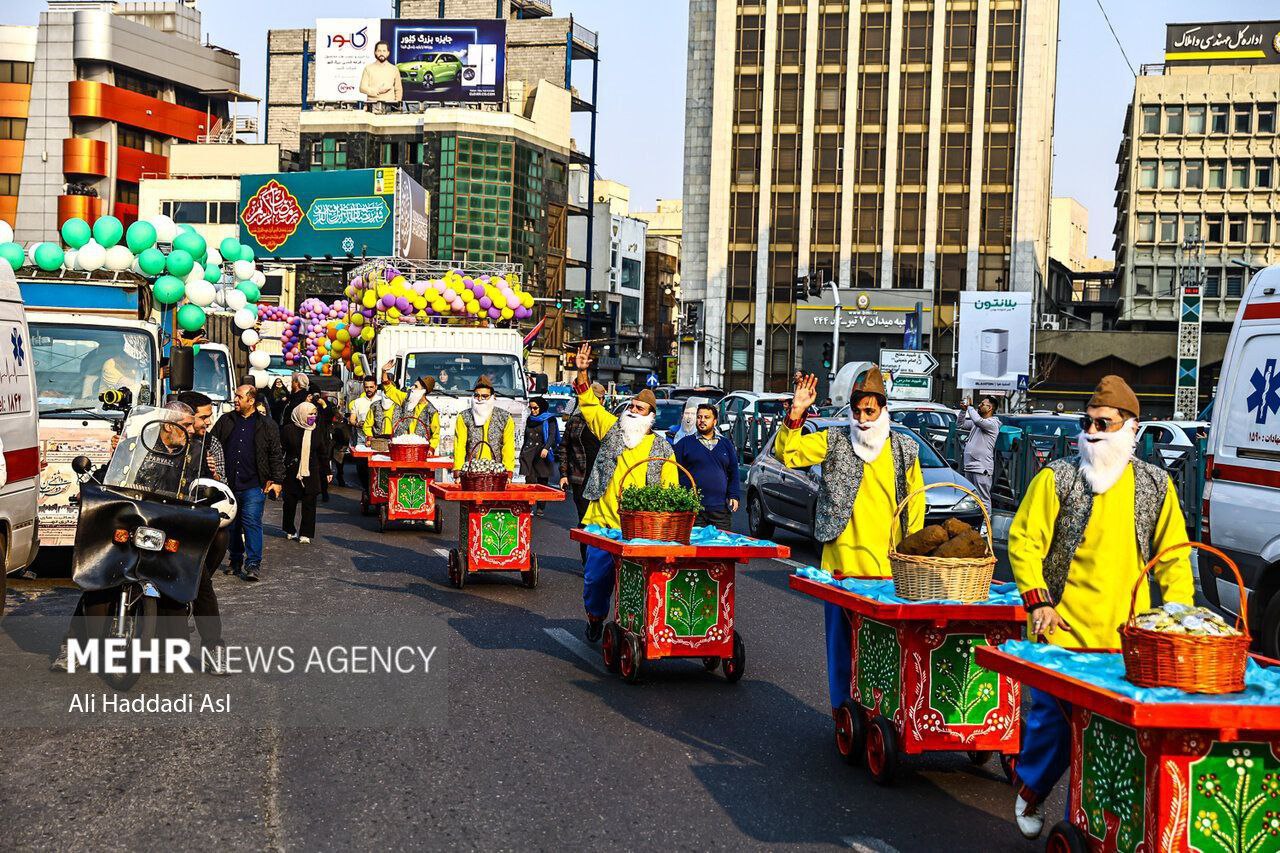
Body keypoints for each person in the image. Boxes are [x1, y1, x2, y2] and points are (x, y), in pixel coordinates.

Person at [1008, 375, 1193, 840]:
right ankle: (1030, 788)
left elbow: (1172, 559)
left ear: (1132, 428)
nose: (1092, 431)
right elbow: (1025, 541)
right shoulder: (1058, 477)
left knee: (1117, 741)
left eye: (1103, 423)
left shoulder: (1155, 485)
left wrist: (1180, 621)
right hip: (1062, 633)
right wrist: (1038, 602)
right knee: (1052, 724)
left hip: (1124, 643)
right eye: (1088, 422)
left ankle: (1106, 826)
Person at [775, 368, 925, 720]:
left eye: (870, 412)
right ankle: (845, 713)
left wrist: (911, 553)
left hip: (888, 571)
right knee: (841, 646)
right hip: (841, 566)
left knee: (886, 648)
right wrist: (796, 413)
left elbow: (915, 505)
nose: (862, 419)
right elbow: (790, 453)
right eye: (857, 411)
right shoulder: (835, 440)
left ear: (883, 410)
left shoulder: (905, 449)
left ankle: (883, 711)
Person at [572, 344, 678, 642]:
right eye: (631, 406)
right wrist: (582, 370)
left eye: (639, 408)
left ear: (650, 416)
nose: (632, 410)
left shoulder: (662, 448)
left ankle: (637, 629)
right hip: (604, 524)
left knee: (638, 585)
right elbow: (590, 405)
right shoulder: (612, 430)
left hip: (641, 531)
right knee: (595, 580)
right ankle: (595, 617)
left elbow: (671, 490)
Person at [176, 391, 230, 672]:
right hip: (153, 520)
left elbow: (223, 486)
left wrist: (214, 475)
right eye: (203, 417)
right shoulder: (153, 437)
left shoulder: (211, 445)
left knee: (202, 582)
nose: (207, 423)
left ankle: (214, 649)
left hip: (191, 524)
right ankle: (74, 643)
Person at [211, 384, 285, 582]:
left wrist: (277, 480)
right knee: (232, 525)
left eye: (239, 397)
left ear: (251, 401)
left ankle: (253, 564)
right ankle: (235, 560)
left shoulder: (267, 424)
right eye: (235, 396)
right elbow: (211, 445)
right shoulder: (226, 420)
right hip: (229, 484)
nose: (235, 399)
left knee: (251, 522)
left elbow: (275, 454)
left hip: (255, 484)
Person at [674, 404, 740, 530]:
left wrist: (734, 495)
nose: (702, 420)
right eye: (699, 417)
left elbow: (733, 472)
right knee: (694, 547)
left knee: (722, 545)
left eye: (706, 417)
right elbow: (675, 471)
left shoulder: (726, 444)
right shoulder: (685, 443)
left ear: (714, 421)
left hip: (720, 509)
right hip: (693, 509)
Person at [559, 385, 603, 560]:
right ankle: (587, 561)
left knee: (602, 524)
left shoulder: (609, 422)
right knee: (585, 523)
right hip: (580, 479)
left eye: (596, 399)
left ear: (602, 400)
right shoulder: (575, 421)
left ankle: (601, 561)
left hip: (603, 481)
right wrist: (563, 474)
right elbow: (564, 448)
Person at [280, 401, 331, 544]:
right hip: (292, 471)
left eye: (315, 414)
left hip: (311, 471)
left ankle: (305, 533)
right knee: (289, 503)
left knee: (310, 503)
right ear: (301, 414)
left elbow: (322, 452)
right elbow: (280, 450)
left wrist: (327, 470)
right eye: (310, 414)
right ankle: (289, 529)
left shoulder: (316, 430)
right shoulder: (288, 430)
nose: (313, 417)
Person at [453, 376, 515, 472]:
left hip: (496, 471)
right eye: (477, 395)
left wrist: (508, 471)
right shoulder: (464, 417)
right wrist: (457, 470)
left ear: (493, 397)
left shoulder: (504, 418)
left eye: (485, 396)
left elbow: (508, 447)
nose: (480, 399)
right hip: (470, 471)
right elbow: (459, 446)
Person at [348, 375, 394, 501]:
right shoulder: (358, 402)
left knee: (380, 466)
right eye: (366, 387)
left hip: (378, 439)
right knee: (362, 467)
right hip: (362, 437)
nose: (369, 389)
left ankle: (381, 491)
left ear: (376, 387)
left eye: (371, 387)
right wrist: (357, 424)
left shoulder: (382, 400)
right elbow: (352, 419)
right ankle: (368, 490)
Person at [961, 395, 1001, 517]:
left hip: (981, 467)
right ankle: (972, 525)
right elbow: (961, 424)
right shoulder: (978, 423)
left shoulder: (992, 423)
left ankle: (985, 526)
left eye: (982, 404)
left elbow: (978, 421)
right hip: (969, 466)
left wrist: (970, 407)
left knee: (983, 498)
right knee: (970, 498)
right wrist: (963, 411)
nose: (979, 405)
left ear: (990, 408)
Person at [520, 396, 560, 516]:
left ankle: (540, 507)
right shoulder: (530, 419)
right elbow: (527, 436)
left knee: (542, 482)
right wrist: (523, 451)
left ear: (541, 407)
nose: (533, 411)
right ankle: (529, 506)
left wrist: (546, 448)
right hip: (529, 452)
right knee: (530, 481)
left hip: (542, 454)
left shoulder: (549, 419)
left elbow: (552, 435)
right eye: (531, 408)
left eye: (535, 408)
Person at [381, 366, 441, 446]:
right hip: (401, 446)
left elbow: (436, 433)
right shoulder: (406, 399)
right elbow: (389, 389)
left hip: (419, 449)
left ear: (423, 391)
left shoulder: (431, 411)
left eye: (416, 387)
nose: (412, 388)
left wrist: (431, 448)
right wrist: (384, 371)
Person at [359, 40, 402, 111]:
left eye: (384, 51)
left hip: (390, 106)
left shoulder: (394, 69)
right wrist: (378, 91)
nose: (381, 53)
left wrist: (397, 105)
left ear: (388, 53)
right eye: (379, 51)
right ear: (375, 52)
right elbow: (362, 88)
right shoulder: (368, 68)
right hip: (372, 106)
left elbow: (398, 89)